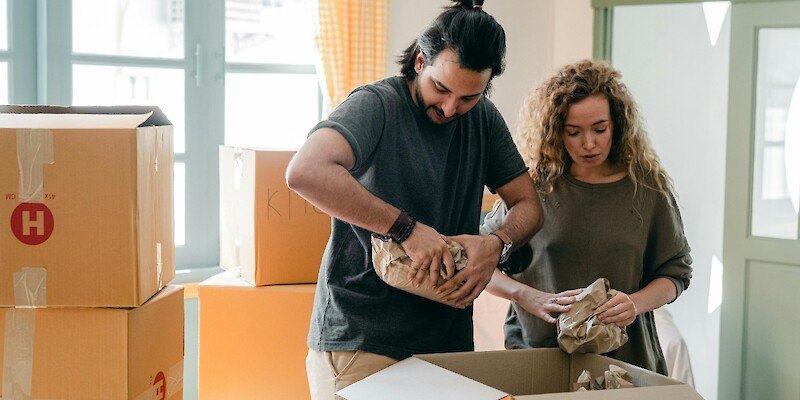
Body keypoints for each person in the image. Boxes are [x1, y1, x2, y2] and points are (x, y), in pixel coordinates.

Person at [285, 1, 543, 398]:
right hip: (362, 345)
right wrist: (404, 228)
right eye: (441, 88)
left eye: (468, 97)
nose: (450, 107)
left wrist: (497, 244)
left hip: (448, 346)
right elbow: (306, 171)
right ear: (421, 61)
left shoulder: (484, 120)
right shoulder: (377, 106)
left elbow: (529, 206)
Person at [484, 59, 693, 374]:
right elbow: (481, 264)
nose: (589, 143)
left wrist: (635, 303)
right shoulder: (535, 189)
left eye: (600, 129)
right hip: (539, 359)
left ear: (617, 124)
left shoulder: (648, 189)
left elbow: (675, 273)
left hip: (623, 362)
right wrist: (528, 296)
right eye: (574, 132)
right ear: (556, 131)